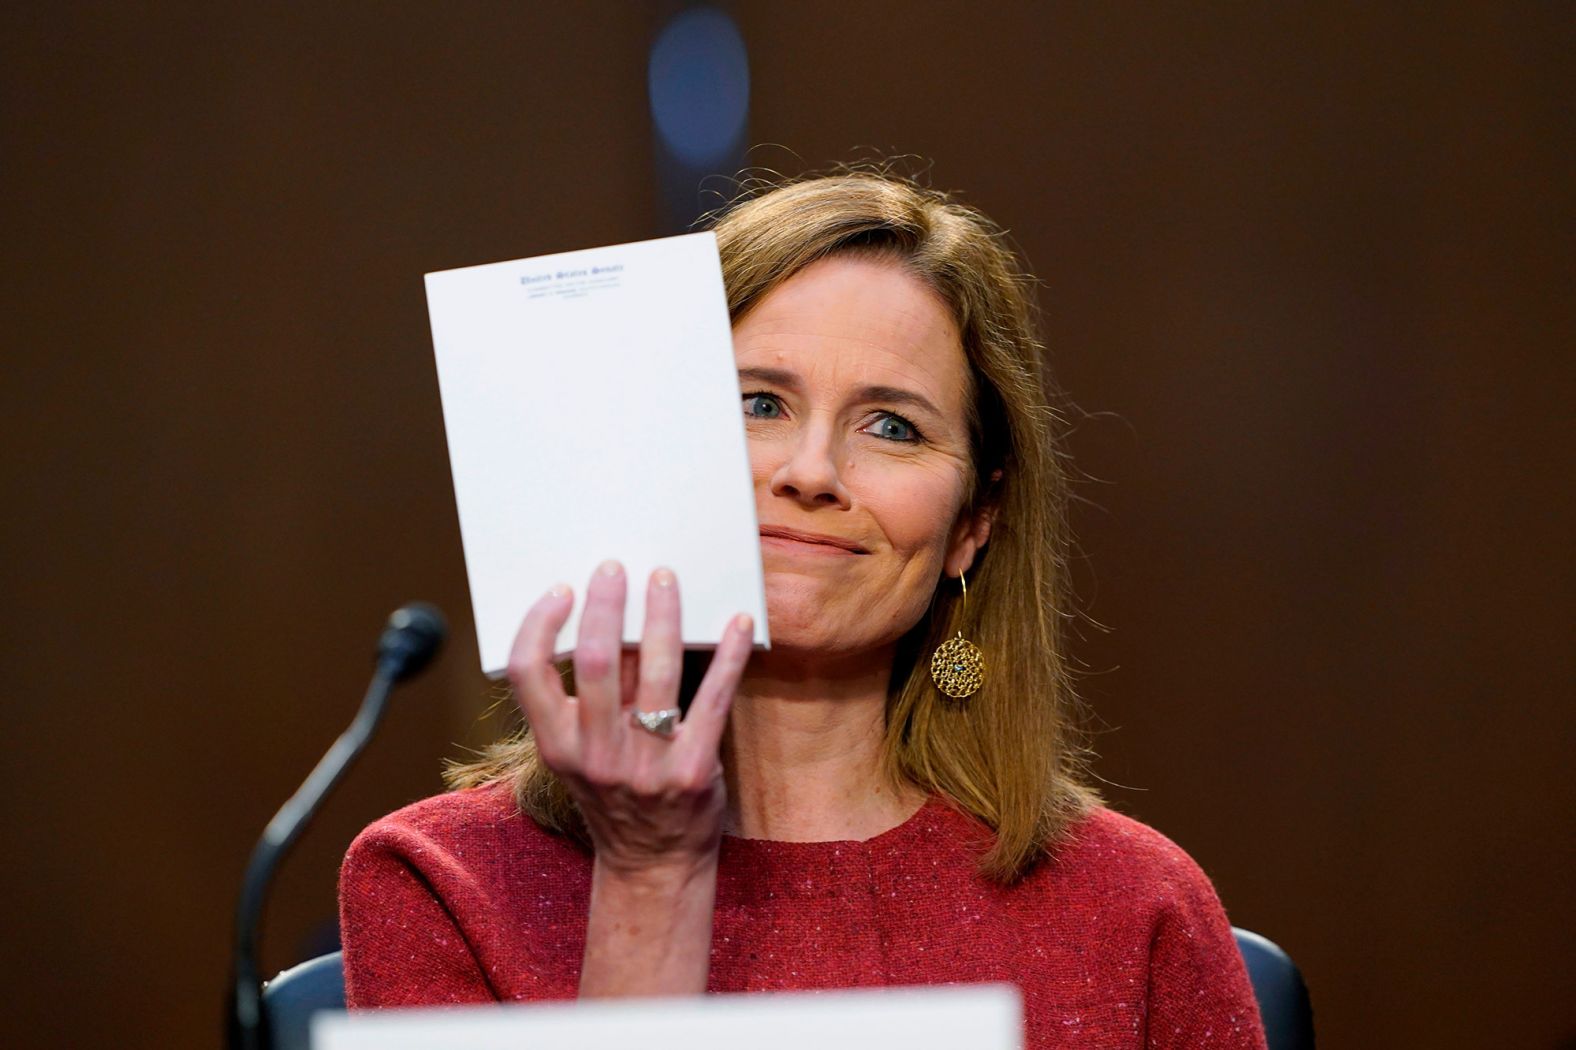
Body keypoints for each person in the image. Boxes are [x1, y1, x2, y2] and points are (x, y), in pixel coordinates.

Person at [339, 170, 1268, 1049]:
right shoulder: (440, 885)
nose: (811, 472)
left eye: (892, 427)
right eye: (758, 403)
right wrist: (649, 873)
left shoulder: (1132, 904)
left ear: (971, 527)